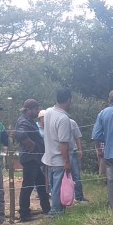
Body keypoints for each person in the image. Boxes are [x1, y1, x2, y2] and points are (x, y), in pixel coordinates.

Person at [14, 99, 50, 222]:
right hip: (30, 158)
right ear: (28, 110)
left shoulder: (28, 120)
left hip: (34, 158)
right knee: (28, 186)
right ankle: (24, 214)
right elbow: (20, 134)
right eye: (36, 109)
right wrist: (32, 145)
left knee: (40, 184)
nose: (37, 111)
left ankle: (47, 209)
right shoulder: (23, 121)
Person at [42, 88, 73, 217]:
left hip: (49, 157)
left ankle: (55, 211)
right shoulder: (63, 118)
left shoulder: (48, 112)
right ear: (68, 100)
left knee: (54, 186)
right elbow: (63, 143)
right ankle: (56, 212)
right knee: (58, 188)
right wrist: (66, 161)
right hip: (59, 158)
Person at [69, 118, 88, 203]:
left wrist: (80, 149)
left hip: (72, 151)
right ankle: (64, 197)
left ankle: (79, 196)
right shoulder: (54, 121)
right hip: (59, 153)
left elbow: (78, 137)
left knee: (76, 174)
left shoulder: (72, 122)